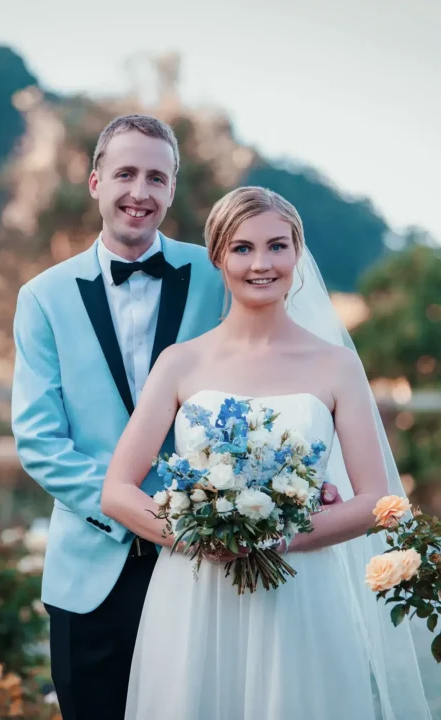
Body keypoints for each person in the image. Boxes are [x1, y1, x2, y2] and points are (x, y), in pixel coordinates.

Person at [101, 187, 432, 720]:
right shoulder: (179, 363)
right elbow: (116, 492)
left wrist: (283, 537)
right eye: (242, 248)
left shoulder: (337, 366)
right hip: (194, 596)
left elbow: (378, 499)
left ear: (297, 253)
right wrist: (199, 535)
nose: (261, 264)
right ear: (218, 256)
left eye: (277, 246)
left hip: (301, 597)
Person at [11, 114, 226, 719]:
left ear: (172, 190)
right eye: (126, 173)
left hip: (201, 565)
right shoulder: (42, 297)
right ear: (94, 182)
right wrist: (131, 512)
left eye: (157, 178)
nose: (140, 192)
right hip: (91, 570)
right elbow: (39, 440)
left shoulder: (218, 277)